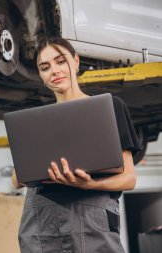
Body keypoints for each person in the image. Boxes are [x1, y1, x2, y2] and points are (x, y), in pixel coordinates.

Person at [12, 37, 141, 253]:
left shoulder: (109, 108)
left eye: (60, 61)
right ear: (41, 76)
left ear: (76, 62)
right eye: (45, 67)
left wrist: (89, 185)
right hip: (40, 217)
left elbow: (129, 178)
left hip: (91, 215)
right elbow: (17, 179)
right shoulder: (35, 120)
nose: (54, 70)